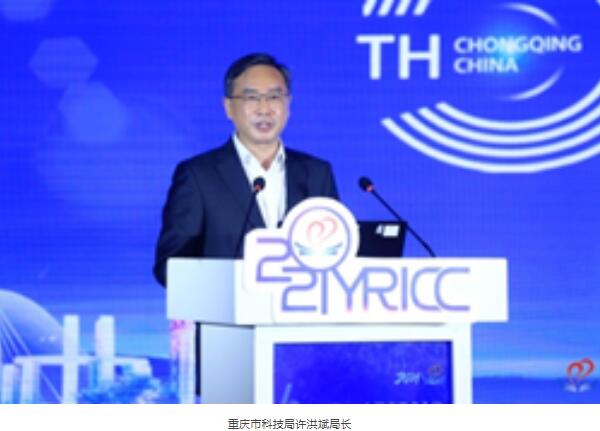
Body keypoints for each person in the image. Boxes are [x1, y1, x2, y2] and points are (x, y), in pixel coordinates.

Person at [153, 52, 339, 286]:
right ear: (228, 107)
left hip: (300, 306)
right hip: (227, 308)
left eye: (274, 97)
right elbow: (170, 266)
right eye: (251, 98)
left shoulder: (317, 173)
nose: (264, 109)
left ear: (288, 105)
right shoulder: (198, 176)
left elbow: (338, 252)